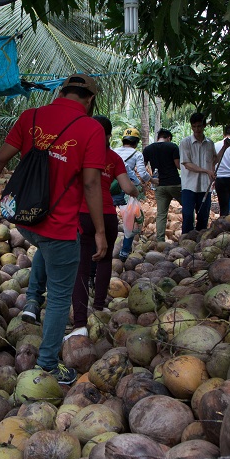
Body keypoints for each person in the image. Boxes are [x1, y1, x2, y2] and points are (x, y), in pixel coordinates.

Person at [0, 73, 107, 385]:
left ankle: (32, 301)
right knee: (59, 297)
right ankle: (47, 363)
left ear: (61, 92)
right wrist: (99, 230)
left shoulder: (30, 117)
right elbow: (90, 182)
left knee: (47, 250)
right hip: (58, 229)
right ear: (89, 100)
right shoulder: (91, 128)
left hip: (26, 221)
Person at [67, 116, 138, 339]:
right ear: (108, 135)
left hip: (83, 215)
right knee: (105, 259)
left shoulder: (79, 153)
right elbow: (127, 186)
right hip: (106, 215)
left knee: (81, 264)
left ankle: (79, 323)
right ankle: (98, 307)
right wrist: (135, 192)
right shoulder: (114, 157)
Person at [113, 127, 151, 260]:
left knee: (109, 219)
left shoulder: (113, 151)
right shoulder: (137, 154)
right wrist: (146, 183)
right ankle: (124, 252)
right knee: (129, 221)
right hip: (126, 191)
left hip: (110, 189)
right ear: (136, 142)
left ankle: (107, 247)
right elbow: (141, 172)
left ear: (123, 140)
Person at [179, 112, 217, 234]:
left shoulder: (210, 143)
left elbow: (214, 160)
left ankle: (200, 243)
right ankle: (185, 240)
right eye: (194, 126)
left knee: (203, 216)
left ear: (204, 126)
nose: (197, 129)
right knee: (188, 215)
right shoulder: (185, 143)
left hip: (205, 186)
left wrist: (224, 149)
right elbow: (186, 164)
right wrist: (206, 170)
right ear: (191, 126)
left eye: (199, 126)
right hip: (189, 186)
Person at [142, 128, 181, 242]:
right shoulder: (173, 146)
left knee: (161, 214)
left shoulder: (148, 149)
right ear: (168, 138)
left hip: (159, 185)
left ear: (158, 137)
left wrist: (150, 180)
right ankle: (189, 234)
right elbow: (178, 165)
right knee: (188, 208)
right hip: (174, 183)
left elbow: (142, 168)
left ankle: (160, 240)